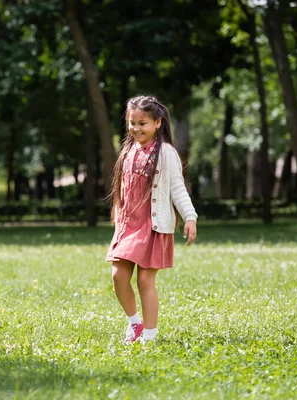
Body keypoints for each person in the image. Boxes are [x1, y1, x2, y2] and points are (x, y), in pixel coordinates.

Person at [106, 95, 197, 344]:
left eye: (142, 123)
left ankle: (149, 336)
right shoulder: (128, 150)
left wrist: (190, 217)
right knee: (118, 276)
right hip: (128, 224)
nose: (136, 128)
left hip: (153, 225)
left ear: (158, 123)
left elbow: (177, 188)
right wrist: (118, 209)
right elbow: (124, 186)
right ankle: (135, 323)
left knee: (145, 280)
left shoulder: (166, 153)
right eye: (132, 123)